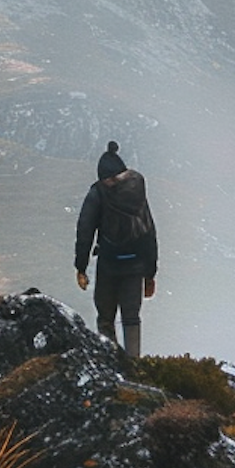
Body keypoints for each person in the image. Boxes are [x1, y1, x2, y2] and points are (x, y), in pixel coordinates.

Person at [75, 141, 158, 357]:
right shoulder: (138, 191)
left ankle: (111, 362)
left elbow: (85, 230)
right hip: (136, 266)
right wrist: (150, 275)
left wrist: (81, 267)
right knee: (131, 318)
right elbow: (149, 233)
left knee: (105, 317)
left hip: (109, 265)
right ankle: (134, 363)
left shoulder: (98, 193)